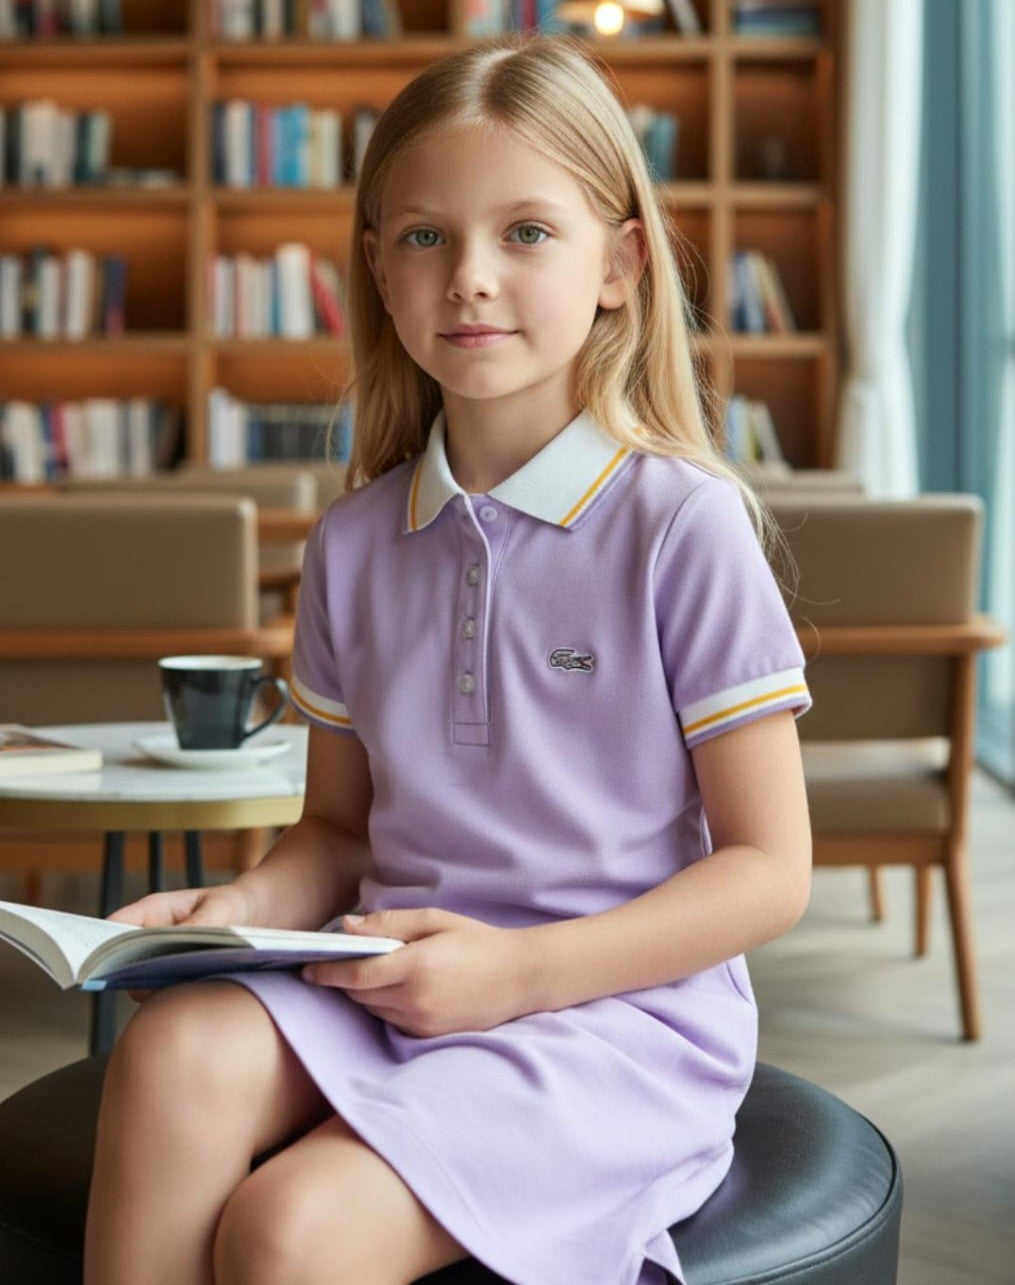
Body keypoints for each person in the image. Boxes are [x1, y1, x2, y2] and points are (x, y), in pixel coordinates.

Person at [84, 35, 812, 1285]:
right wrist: (239, 912)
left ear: (620, 265)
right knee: (170, 1051)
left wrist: (518, 972)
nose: (469, 277)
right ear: (376, 266)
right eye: (424, 237)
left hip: (609, 1019)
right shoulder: (355, 541)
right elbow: (333, 832)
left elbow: (769, 871)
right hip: (390, 979)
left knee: (288, 1230)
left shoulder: (680, 525)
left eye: (526, 232)